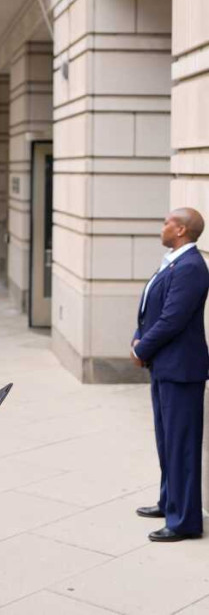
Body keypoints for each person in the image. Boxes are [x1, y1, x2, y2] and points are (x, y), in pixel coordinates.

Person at [132, 207, 208, 542]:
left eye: (166, 222)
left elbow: (173, 319)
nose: (161, 227)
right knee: (167, 443)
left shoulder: (191, 266)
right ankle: (170, 502)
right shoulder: (176, 261)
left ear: (179, 229)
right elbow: (155, 310)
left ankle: (184, 522)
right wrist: (140, 339)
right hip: (165, 367)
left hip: (181, 371)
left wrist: (141, 348)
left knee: (182, 447)